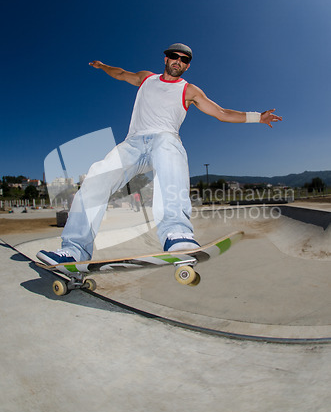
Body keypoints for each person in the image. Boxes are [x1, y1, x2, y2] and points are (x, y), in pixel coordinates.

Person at [37, 43, 282, 265]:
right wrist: (103, 67)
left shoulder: (190, 90)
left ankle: (177, 233)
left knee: (169, 147)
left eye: (184, 60)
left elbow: (221, 112)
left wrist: (257, 117)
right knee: (95, 178)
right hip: (132, 144)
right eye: (174, 57)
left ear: (187, 66)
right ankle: (74, 249)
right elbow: (121, 74)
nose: (178, 62)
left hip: (164, 140)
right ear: (165, 59)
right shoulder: (147, 79)